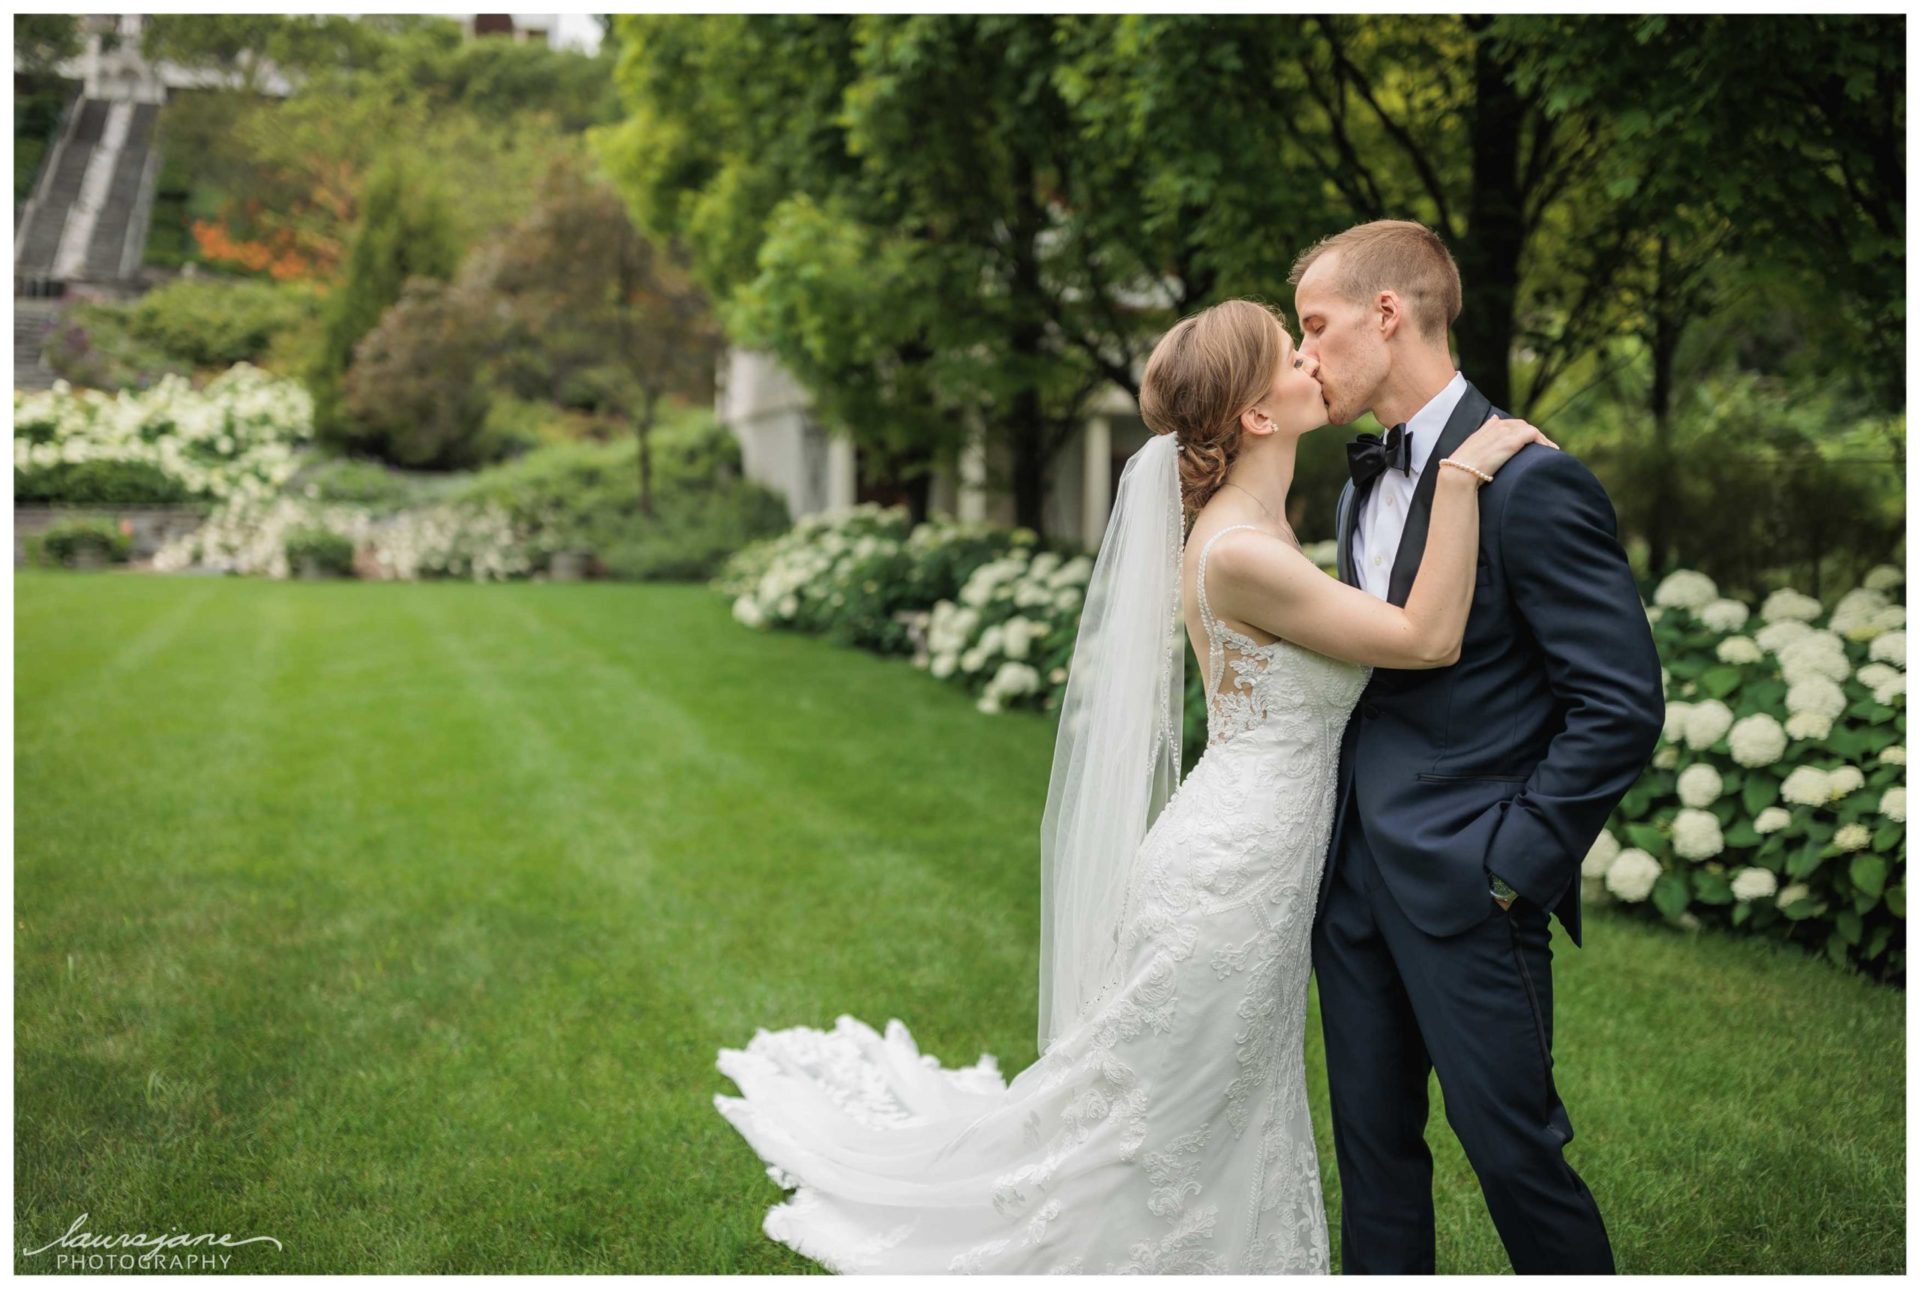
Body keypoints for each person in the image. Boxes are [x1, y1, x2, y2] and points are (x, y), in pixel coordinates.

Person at [711, 296, 1550, 1273]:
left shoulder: (1259, 524)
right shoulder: (1238, 549)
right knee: (1168, 1102)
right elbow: (1424, 638)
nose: (1313, 361)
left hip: (1259, 851)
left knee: (1209, 1090)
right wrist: (1460, 476)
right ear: (1257, 416)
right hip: (1232, 869)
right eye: (1291, 353)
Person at [1293, 218, 1665, 1275]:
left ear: (1389, 312)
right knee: (1373, 1159)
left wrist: (1517, 866)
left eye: (1316, 328)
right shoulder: (1359, 480)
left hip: (1472, 879)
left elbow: (1621, 700)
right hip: (1352, 876)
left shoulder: (1534, 480)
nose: (1304, 354)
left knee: (1514, 1154)